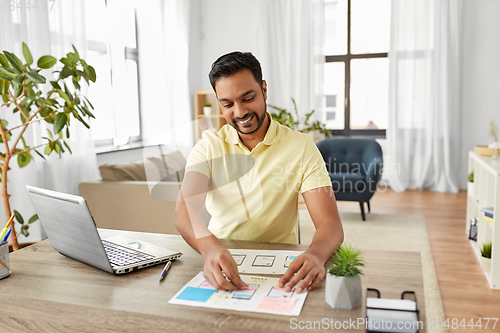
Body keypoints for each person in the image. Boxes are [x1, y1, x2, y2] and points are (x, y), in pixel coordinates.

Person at [175, 51, 343, 294]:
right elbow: (184, 211)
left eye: (248, 98)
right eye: (228, 104)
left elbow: (330, 223)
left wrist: (316, 255)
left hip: (281, 263)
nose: (240, 112)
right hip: (221, 259)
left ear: (264, 89)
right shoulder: (208, 147)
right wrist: (210, 248)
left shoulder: (301, 147)